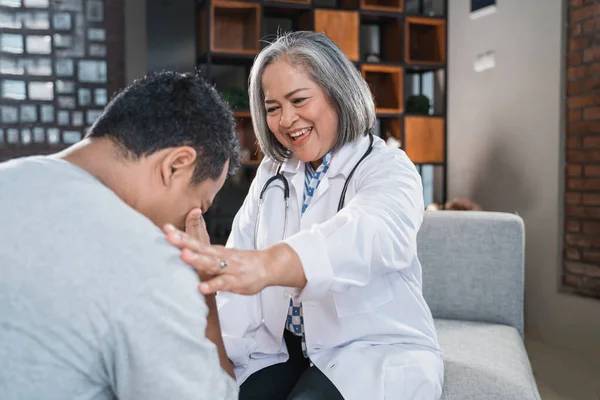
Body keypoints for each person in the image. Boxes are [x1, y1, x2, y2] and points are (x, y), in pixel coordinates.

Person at [165, 31, 444, 400]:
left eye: (299, 100)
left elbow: (370, 234)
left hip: (365, 347)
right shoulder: (272, 172)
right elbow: (241, 257)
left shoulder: (387, 167)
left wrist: (269, 264)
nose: (286, 120)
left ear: (337, 92)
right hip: (282, 344)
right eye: (273, 107)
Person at [0, 71, 240, 399]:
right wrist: (206, 290)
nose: (191, 221)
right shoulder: (150, 265)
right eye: (199, 204)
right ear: (175, 165)